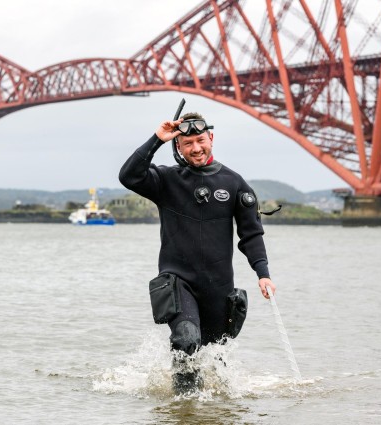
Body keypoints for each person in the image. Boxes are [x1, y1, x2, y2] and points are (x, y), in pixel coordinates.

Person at [118, 111, 276, 394]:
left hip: (219, 287)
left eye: (200, 140)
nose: (196, 148)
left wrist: (262, 273)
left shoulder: (234, 183)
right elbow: (129, 176)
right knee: (186, 339)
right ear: (178, 146)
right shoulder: (166, 180)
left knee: (214, 361)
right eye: (187, 143)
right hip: (179, 281)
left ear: (211, 138)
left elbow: (250, 234)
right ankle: (184, 410)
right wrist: (156, 139)